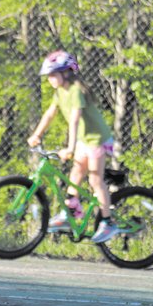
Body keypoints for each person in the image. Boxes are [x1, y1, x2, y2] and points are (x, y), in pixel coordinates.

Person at [27, 50, 118, 243]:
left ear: (66, 73)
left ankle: (108, 222)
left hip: (97, 140)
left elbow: (75, 120)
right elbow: (50, 114)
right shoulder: (60, 92)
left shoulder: (76, 90)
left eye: (53, 75)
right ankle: (70, 214)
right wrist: (36, 134)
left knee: (95, 181)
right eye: (49, 76)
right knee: (75, 177)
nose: (50, 79)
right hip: (84, 141)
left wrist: (70, 148)